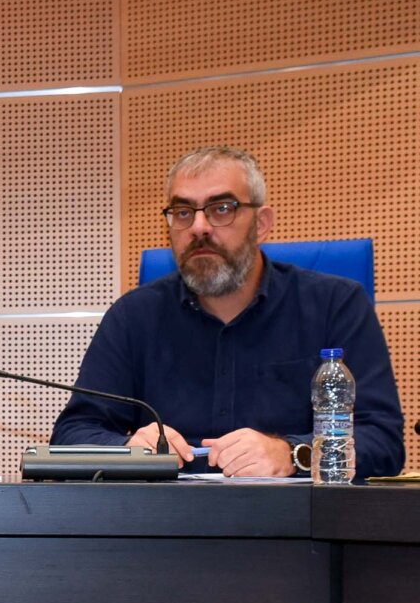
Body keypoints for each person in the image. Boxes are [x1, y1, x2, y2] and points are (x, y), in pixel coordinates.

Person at [52, 146, 403, 479]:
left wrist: (293, 453)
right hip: (163, 517)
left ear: (261, 224)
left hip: (297, 518)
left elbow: (382, 441)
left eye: (221, 209)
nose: (199, 227)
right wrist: (126, 449)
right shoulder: (134, 316)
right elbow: (73, 433)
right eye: (183, 212)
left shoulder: (336, 304)